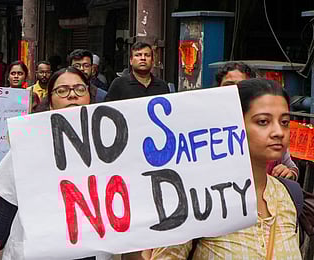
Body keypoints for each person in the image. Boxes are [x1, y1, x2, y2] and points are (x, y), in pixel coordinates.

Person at [129, 79, 301, 260]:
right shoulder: (197, 197)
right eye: (263, 121)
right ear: (233, 124)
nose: (278, 132)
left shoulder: (286, 196)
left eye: (284, 122)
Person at [0, 67, 111, 260]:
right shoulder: (29, 146)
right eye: (62, 90)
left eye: (79, 89)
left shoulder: (110, 148)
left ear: (89, 97)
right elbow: (4, 212)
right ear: (51, 103)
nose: (72, 95)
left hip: (90, 251)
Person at [215, 62, 299, 180]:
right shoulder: (210, 133)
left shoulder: (274, 138)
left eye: (284, 122)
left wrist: (289, 174)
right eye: (229, 86)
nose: (278, 133)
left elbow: (291, 167)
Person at [105, 42, 169, 101]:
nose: (143, 58)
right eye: (138, 55)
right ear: (131, 61)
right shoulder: (119, 84)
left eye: (147, 55)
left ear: (152, 61)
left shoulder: (162, 86)